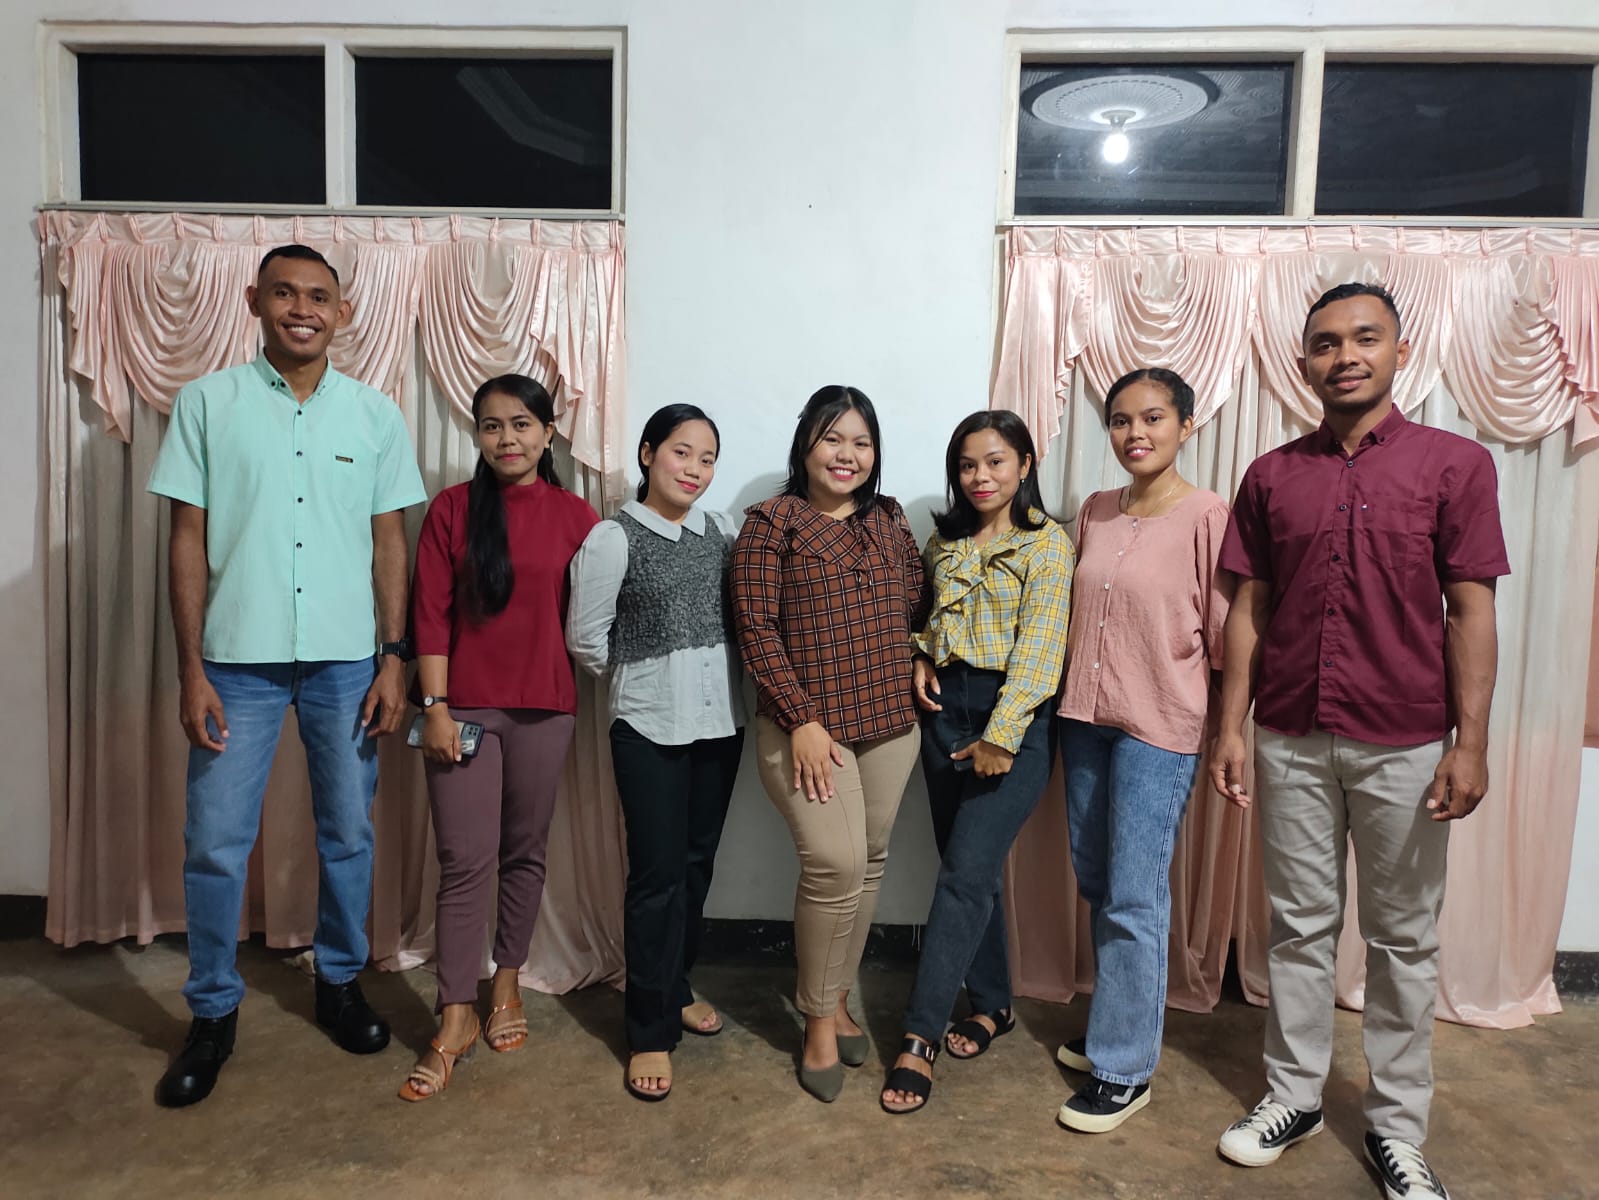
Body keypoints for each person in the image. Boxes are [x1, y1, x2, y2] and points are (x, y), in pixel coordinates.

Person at [1211, 283, 1508, 1200]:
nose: (1345, 355)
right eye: (1326, 343)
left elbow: (1470, 610)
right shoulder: (1270, 476)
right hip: (1289, 734)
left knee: (1402, 940)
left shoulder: (1454, 465)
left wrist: (1469, 744)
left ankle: (1396, 1128)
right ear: (1304, 362)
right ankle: (1293, 1096)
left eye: (1364, 338)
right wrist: (1229, 726)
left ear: (1398, 351)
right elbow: (1249, 606)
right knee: (1297, 929)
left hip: (1405, 742)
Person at [149, 244, 427, 1108]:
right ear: (254, 301)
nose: (301, 308)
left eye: (317, 296)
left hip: (348, 664)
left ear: (342, 312)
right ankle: (211, 1011)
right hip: (235, 663)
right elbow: (186, 538)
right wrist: (190, 670)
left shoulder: (374, 415)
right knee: (214, 842)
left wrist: (393, 656)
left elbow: (389, 543)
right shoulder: (207, 404)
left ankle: (339, 982)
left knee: (348, 833)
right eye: (283, 293)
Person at [398, 374, 599, 1102]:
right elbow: (429, 615)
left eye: (521, 424)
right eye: (491, 426)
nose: (507, 438)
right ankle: (455, 1011)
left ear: (547, 434)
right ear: (476, 436)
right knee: (464, 861)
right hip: (465, 712)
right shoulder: (451, 510)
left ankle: (507, 983)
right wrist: (436, 707)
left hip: (548, 707)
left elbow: (597, 614)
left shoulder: (578, 517)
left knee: (524, 852)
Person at [731, 385, 929, 1103]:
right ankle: (817, 1021)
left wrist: (919, 654)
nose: (847, 455)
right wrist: (802, 719)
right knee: (834, 865)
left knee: (868, 863)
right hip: (805, 729)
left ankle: (838, 998)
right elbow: (755, 629)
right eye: (832, 438)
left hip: (890, 720)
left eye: (861, 442)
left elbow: (915, 600)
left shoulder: (889, 517)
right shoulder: (771, 523)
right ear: (805, 445)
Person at [1052, 368, 1231, 1133]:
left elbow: (1225, 632)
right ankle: (1114, 1024)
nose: (1135, 433)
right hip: (1083, 718)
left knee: (1133, 891)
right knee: (1098, 878)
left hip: (1158, 727)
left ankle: (1124, 1067)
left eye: (1152, 418)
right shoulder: (1094, 510)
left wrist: (1230, 730)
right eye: (1121, 420)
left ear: (1184, 426)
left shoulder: (1206, 514)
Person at [879, 411, 1073, 1115]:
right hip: (942, 714)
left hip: (1010, 718)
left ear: (1024, 464)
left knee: (962, 877)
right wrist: (920, 656)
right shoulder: (945, 540)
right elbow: (930, 619)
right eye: (966, 465)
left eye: (994, 461)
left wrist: (1002, 735)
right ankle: (992, 1004)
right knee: (969, 872)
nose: (980, 476)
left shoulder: (1047, 545)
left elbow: (1041, 650)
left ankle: (918, 1036)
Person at [567, 404, 746, 1102]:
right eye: (681, 452)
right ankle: (647, 1029)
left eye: (707, 458)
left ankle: (675, 987)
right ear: (647, 454)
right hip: (648, 728)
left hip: (719, 726)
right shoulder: (613, 538)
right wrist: (645, 676)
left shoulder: (720, 532)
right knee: (656, 879)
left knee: (697, 868)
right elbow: (587, 639)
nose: (694, 469)